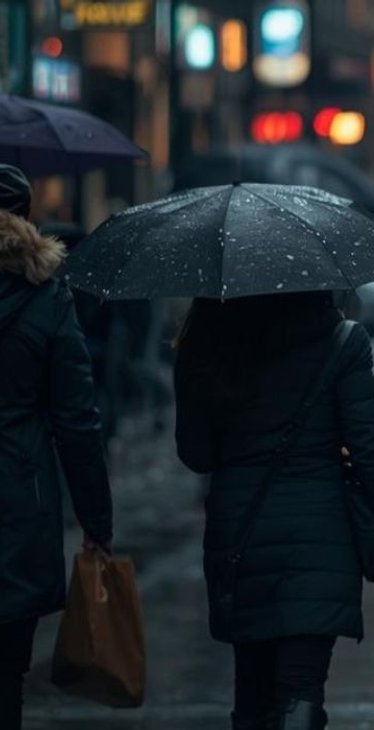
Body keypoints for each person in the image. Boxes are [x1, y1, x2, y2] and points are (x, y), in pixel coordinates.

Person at [174, 293, 374, 730]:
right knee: (301, 688)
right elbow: (369, 448)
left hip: (240, 537)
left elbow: (196, 454)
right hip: (320, 537)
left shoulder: (209, 336)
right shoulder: (342, 341)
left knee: (251, 692)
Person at [0, 163, 113, 730]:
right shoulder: (47, 296)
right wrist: (97, 519)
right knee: (6, 671)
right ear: (26, 218)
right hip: (20, 496)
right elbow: (77, 420)